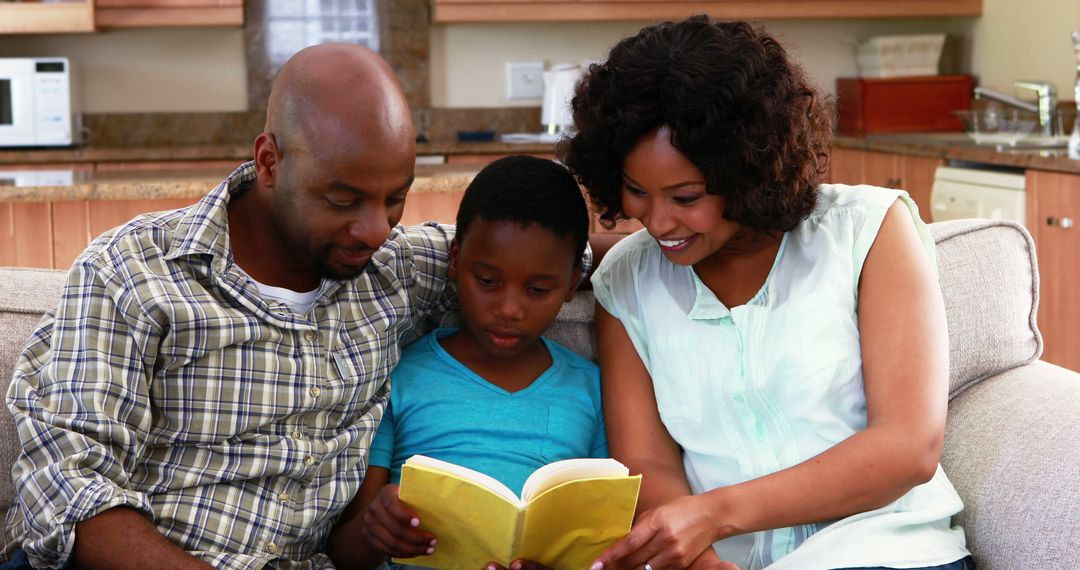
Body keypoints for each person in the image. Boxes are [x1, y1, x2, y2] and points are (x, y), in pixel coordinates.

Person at [3, 43, 466, 570]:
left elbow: (522, 254)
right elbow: (65, 482)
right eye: (343, 200)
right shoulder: (132, 269)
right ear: (269, 162)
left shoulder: (395, 269)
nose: (376, 229)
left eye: (395, 198)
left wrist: (584, 251)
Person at [561, 16, 973, 570]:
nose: (657, 222)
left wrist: (715, 513)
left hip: (884, 550)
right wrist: (703, 559)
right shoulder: (627, 281)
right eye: (637, 191)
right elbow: (647, 463)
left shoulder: (869, 230)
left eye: (685, 197)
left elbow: (907, 448)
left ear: (749, 171)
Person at [327, 155, 607, 569]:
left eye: (538, 289)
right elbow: (345, 555)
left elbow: (603, 537)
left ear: (570, 283)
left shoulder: (592, 388)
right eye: (488, 282)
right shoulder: (400, 376)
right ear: (455, 261)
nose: (509, 308)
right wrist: (377, 526)